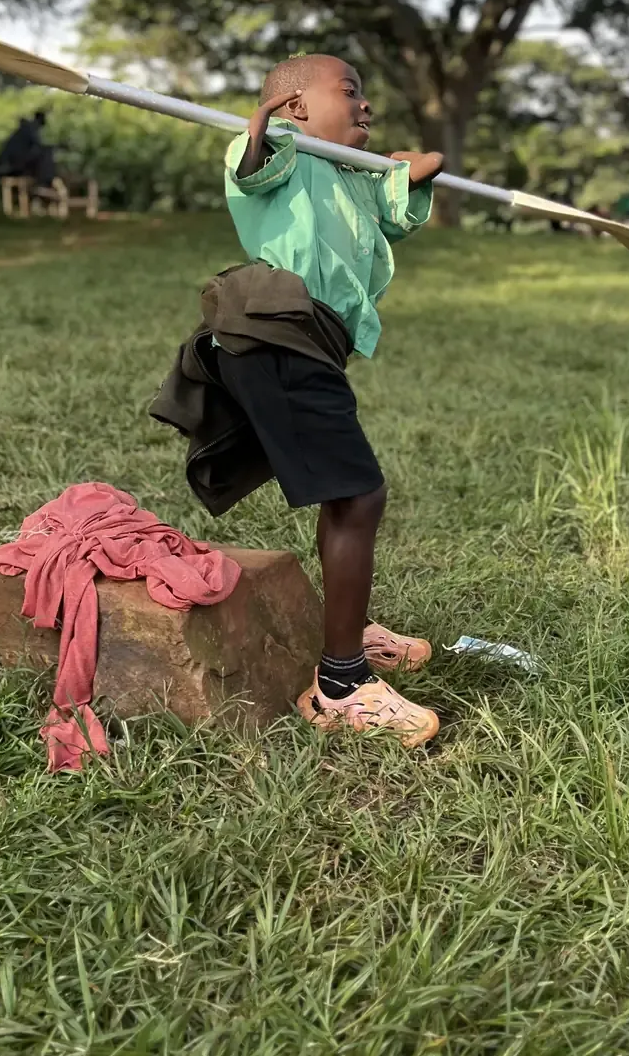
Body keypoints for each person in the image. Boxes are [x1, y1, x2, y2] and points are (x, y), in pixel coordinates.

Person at [152, 55, 444, 746]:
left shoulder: (348, 172)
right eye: (351, 90)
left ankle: (343, 633)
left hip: (308, 340)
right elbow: (256, 162)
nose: (366, 105)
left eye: (367, 93)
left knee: (348, 493)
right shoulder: (282, 147)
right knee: (357, 495)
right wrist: (262, 133)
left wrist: (412, 175)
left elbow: (393, 218)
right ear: (296, 106)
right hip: (274, 328)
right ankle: (342, 684)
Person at [0, 110, 58, 187]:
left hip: (11, 162)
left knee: (43, 150)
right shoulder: (30, 128)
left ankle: (43, 178)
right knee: (46, 151)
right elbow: (37, 147)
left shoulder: (24, 129)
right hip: (15, 165)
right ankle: (46, 180)